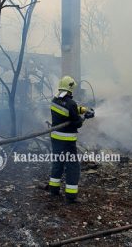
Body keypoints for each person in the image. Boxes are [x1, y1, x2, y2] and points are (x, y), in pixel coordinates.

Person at [48, 76, 94, 204]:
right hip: (67, 142)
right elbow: (77, 123)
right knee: (72, 167)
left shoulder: (55, 100)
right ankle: (71, 197)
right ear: (71, 88)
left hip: (56, 139)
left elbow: (67, 111)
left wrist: (81, 109)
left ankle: (53, 190)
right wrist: (86, 116)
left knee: (57, 163)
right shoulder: (71, 104)